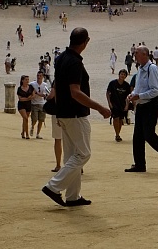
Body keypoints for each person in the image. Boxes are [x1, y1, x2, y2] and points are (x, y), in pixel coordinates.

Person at [42, 27, 111, 206]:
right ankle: (54, 186)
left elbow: (58, 87)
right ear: (85, 42)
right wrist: (100, 108)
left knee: (71, 155)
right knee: (83, 154)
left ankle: (72, 196)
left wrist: (58, 110)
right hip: (75, 114)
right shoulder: (74, 62)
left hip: (64, 113)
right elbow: (75, 92)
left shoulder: (61, 58)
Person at [124, 45, 158, 172]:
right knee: (137, 136)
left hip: (150, 106)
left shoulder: (152, 68)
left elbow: (156, 89)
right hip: (141, 106)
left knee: (149, 135)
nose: (135, 55)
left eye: (137, 53)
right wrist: (132, 96)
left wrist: (140, 96)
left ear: (145, 54)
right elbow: (139, 88)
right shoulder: (140, 70)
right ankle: (139, 164)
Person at [106, 69, 132, 142]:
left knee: (120, 120)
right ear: (119, 75)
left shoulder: (127, 85)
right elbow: (108, 93)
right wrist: (109, 103)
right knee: (116, 118)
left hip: (122, 104)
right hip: (114, 104)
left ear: (126, 76)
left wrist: (127, 105)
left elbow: (128, 96)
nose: (122, 76)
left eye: (124, 75)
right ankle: (117, 134)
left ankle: (118, 133)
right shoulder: (112, 83)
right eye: (121, 74)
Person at [16, 75, 34, 139]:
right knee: (25, 118)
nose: (27, 81)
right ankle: (27, 134)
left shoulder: (31, 87)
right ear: (22, 80)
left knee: (25, 120)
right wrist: (28, 98)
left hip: (28, 105)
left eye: (28, 79)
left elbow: (33, 94)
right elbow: (20, 99)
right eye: (26, 79)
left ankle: (23, 132)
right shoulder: (19, 89)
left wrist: (29, 98)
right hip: (21, 105)